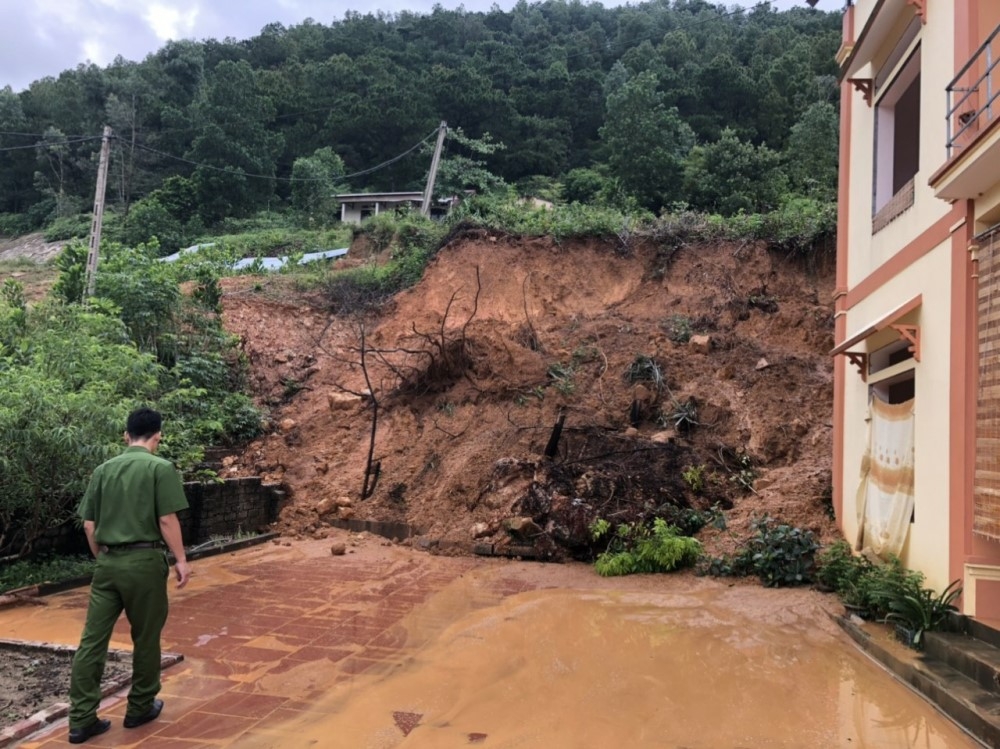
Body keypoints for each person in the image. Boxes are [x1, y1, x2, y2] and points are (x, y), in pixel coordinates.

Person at [67, 407, 191, 744]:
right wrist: (180, 559)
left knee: (92, 641)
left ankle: (80, 720)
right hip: (144, 562)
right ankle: (139, 707)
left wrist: (104, 558)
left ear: (126, 436)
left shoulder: (104, 470)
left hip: (107, 565)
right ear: (158, 436)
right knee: (146, 637)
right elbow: (167, 520)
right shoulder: (160, 468)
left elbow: (89, 524)